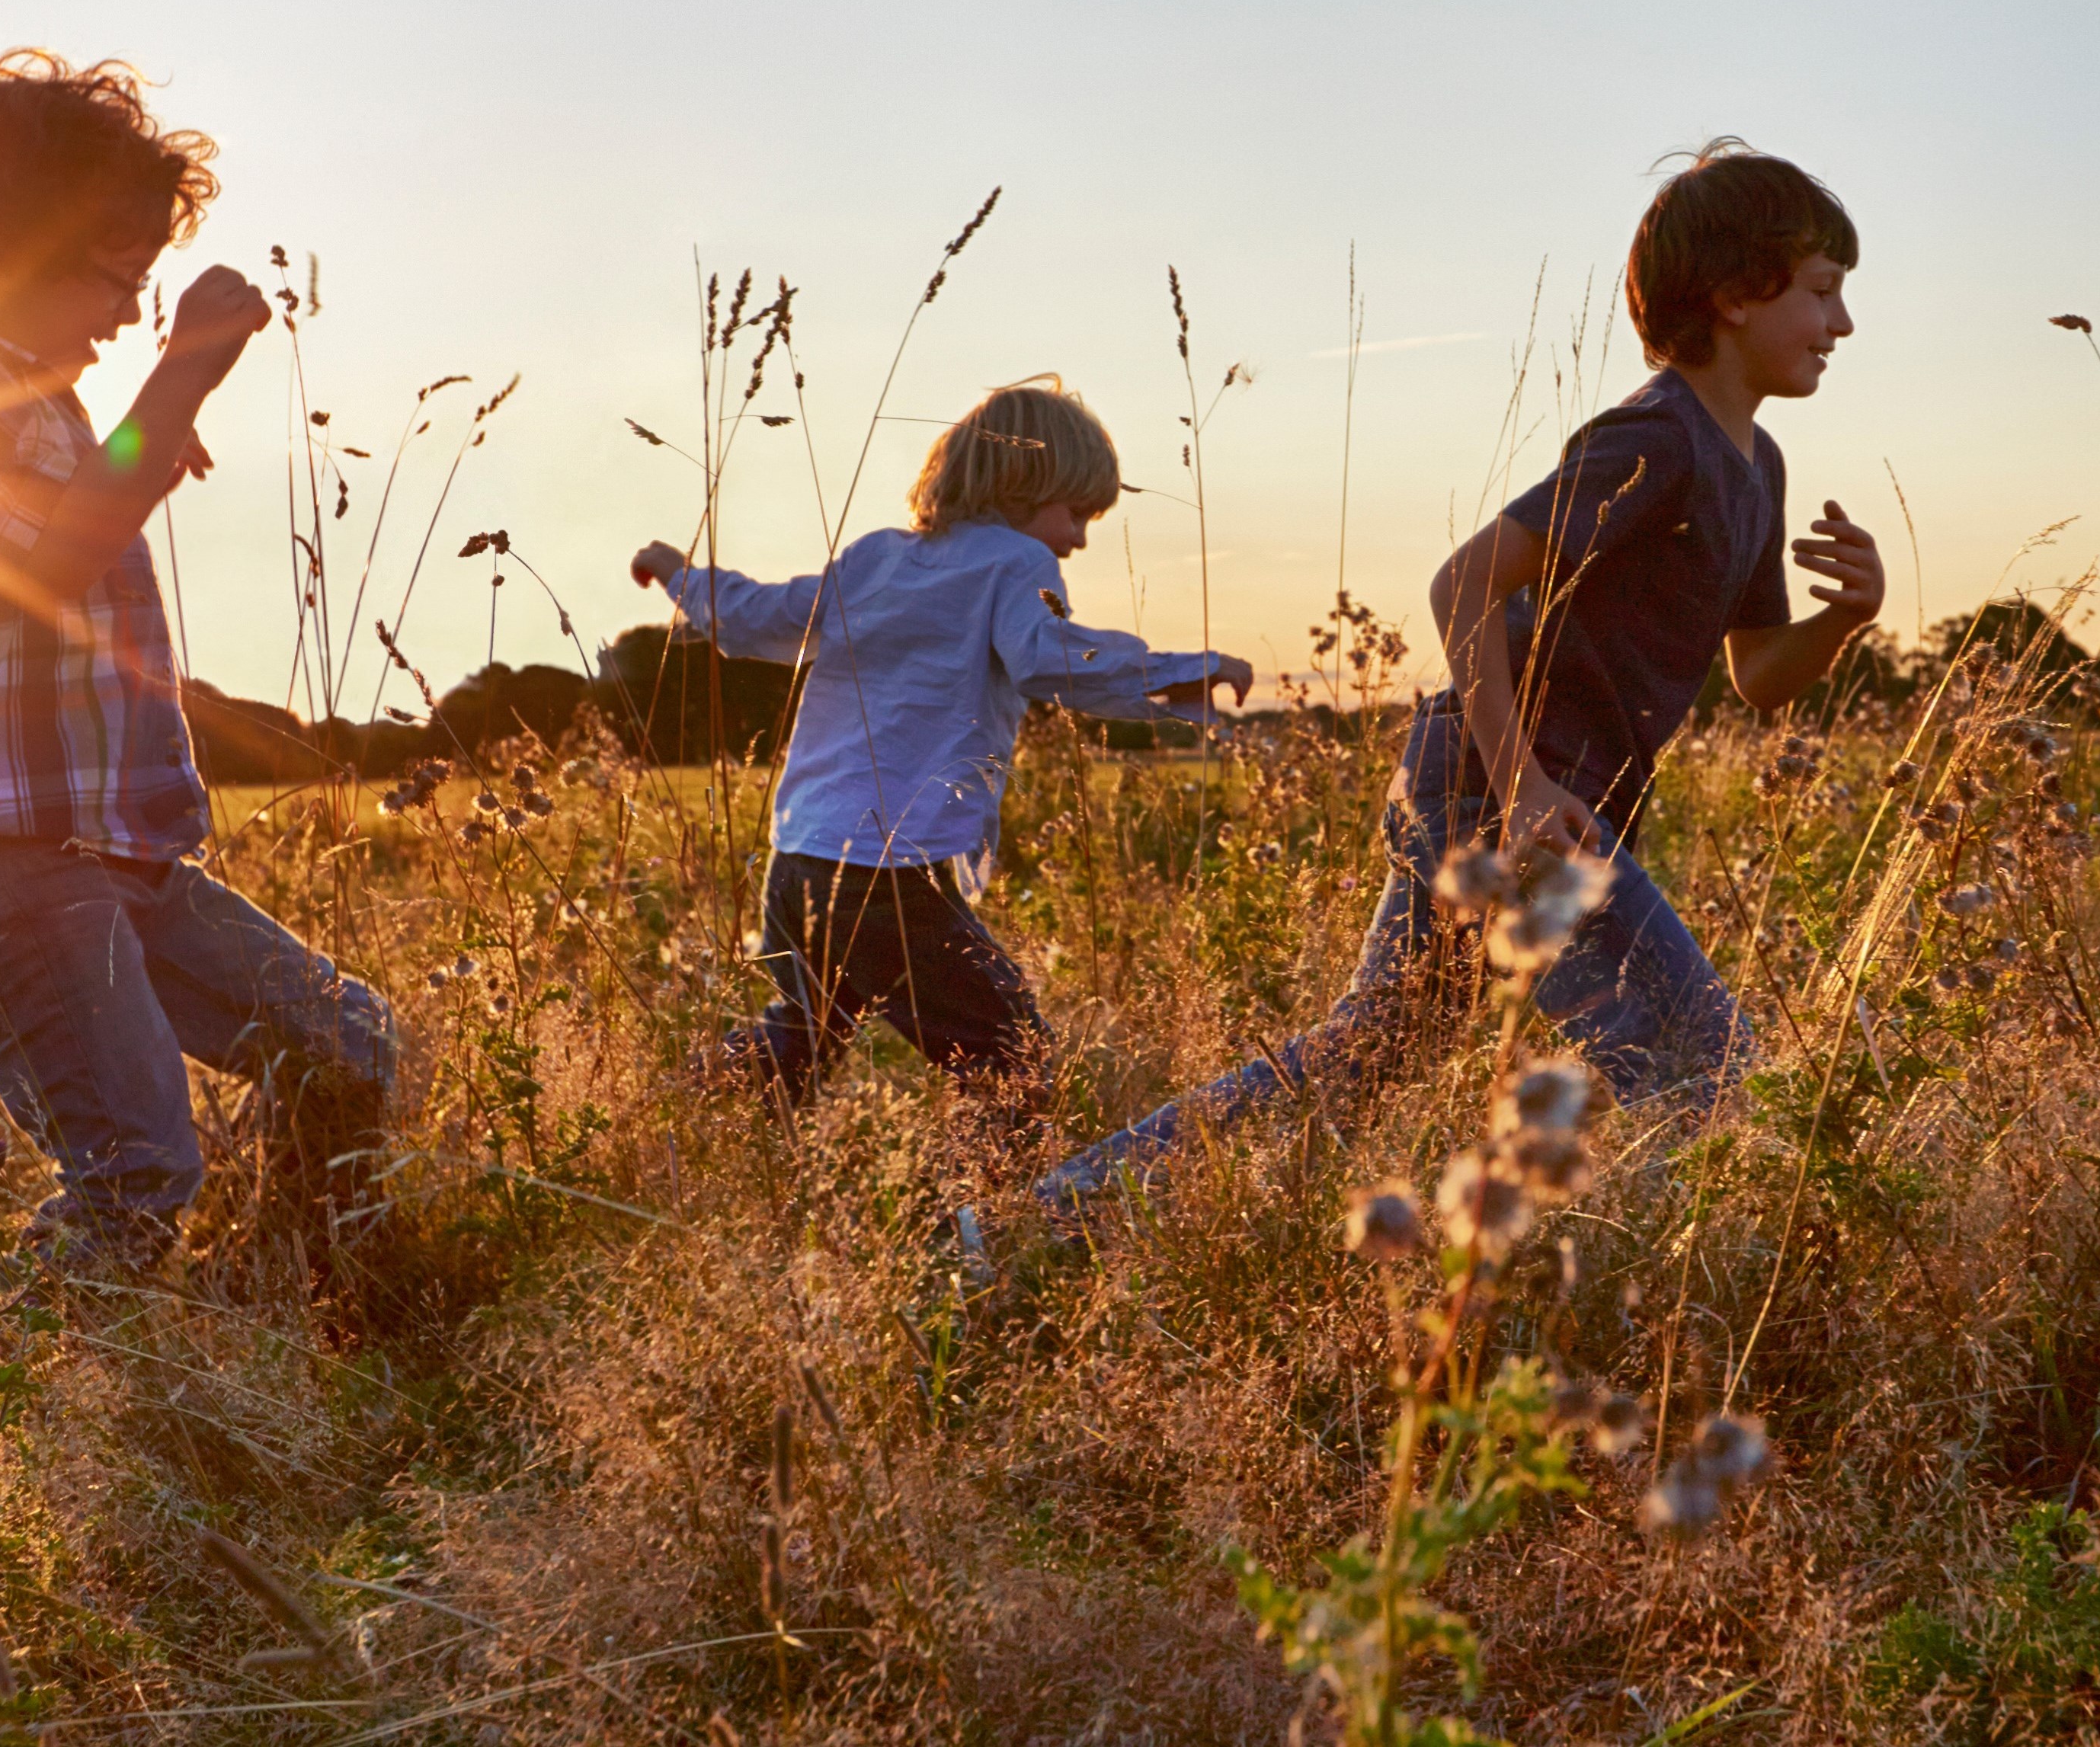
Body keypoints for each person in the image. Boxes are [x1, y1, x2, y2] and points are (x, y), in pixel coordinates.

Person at [1040, 140, 1886, 1211]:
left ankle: (1043, 1218)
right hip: (1507, 794)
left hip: (1524, 795)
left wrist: (1845, 618)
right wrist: (1524, 782)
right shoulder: (1654, 439)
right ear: (1730, 293)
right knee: (1704, 1070)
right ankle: (1701, 1314)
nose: (1840, 325)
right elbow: (1464, 583)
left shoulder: (1753, 466)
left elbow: (1759, 673)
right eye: (1821, 293)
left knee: (1359, 1053)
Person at [0, 53, 396, 1277]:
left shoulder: (40, 404)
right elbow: (50, 560)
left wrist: (154, 427)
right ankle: (74, 1389)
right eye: (112, 275)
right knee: (134, 1160)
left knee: (350, 1045)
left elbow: (74, 523)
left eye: (145, 287)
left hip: (108, 838)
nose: (125, 312)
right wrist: (184, 368)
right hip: (0, 842)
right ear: (10, 244)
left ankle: (294, 1284)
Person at [628, 382, 1249, 1173]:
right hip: (888, 873)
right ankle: (982, 1215)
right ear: (1022, 487)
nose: (1080, 540)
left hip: (802, 860)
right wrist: (1185, 673)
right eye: (1077, 514)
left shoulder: (875, 560)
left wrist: (681, 574)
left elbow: (757, 617)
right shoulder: (1016, 562)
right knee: (1010, 1050)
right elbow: (1050, 658)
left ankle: (672, 1125)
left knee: (803, 1031)